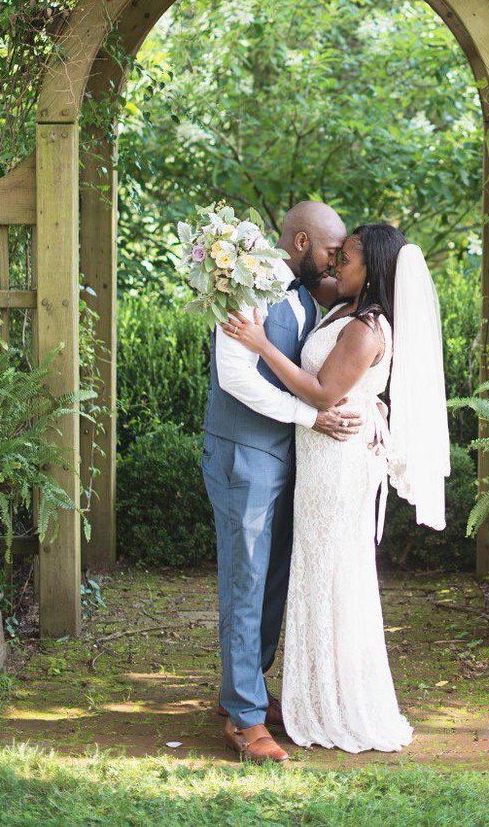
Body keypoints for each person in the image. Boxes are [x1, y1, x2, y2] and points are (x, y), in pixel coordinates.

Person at [223, 223, 450, 754]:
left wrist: (261, 345)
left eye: (346, 258)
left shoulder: (367, 327)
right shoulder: (346, 307)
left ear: (372, 268)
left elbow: (324, 393)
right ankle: (310, 695)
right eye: (337, 254)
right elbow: (298, 272)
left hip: (338, 462)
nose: (335, 265)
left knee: (332, 576)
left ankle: (336, 703)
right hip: (322, 458)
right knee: (316, 574)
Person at [201, 200, 362, 764]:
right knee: (245, 582)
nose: (335, 262)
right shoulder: (243, 284)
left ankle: (245, 689)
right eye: (331, 251)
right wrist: (309, 416)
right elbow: (235, 377)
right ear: (300, 243)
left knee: (273, 580)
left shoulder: (307, 293)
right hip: (243, 454)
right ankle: (244, 720)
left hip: (287, 456)